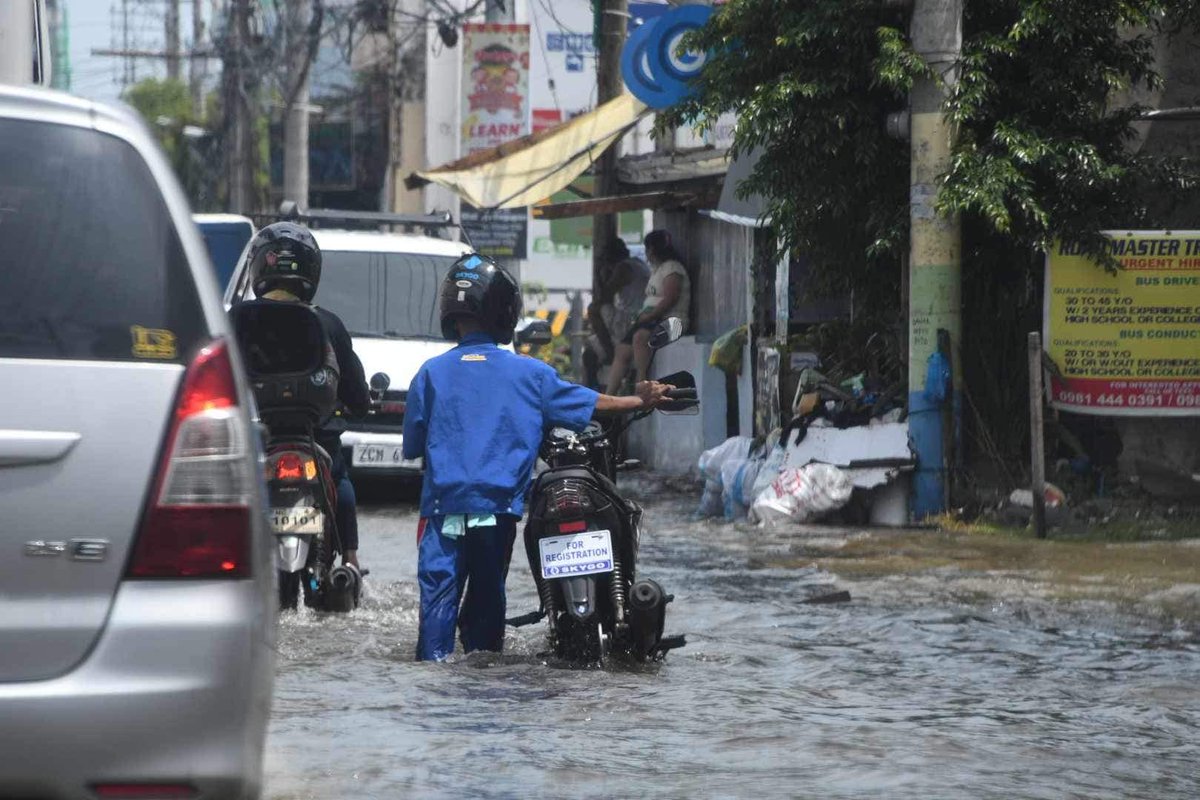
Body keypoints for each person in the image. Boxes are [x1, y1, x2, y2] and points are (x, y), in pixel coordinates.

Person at [403, 253, 672, 662]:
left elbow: (412, 446)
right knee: (487, 606)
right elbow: (594, 403)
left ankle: (434, 671)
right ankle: (481, 671)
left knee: (437, 605)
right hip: (496, 512)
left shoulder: (430, 373)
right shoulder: (531, 374)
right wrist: (641, 398)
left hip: (443, 513)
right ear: (504, 311)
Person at [244, 221, 371, 570]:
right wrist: (359, 406)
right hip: (317, 437)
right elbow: (356, 393)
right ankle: (350, 559)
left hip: (256, 438)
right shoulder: (328, 323)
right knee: (340, 480)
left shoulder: (237, 319)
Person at [606, 229, 691, 394]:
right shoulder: (657, 269)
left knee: (640, 337)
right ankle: (608, 396)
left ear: (652, 249)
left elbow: (671, 298)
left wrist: (650, 316)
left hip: (673, 321)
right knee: (622, 350)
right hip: (650, 320)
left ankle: (642, 383)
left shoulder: (672, 268)